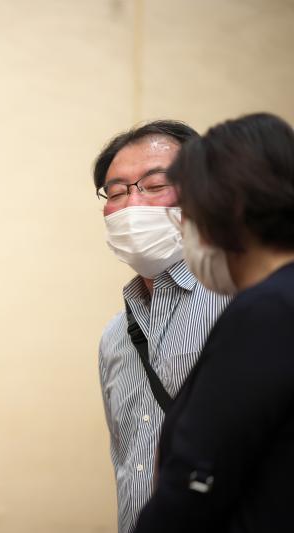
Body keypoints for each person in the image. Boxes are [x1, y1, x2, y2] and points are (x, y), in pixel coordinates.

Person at [134, 112, 294, 532]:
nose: (184, 229)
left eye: (187, 212)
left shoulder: (267, 312)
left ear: (229, 206)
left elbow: (198, 476)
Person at [93, 120, 231, 532]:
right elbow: (128, 465)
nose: (133, 204)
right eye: (117, 192)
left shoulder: (241, 303)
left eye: (155, 186)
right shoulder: (115, 337)